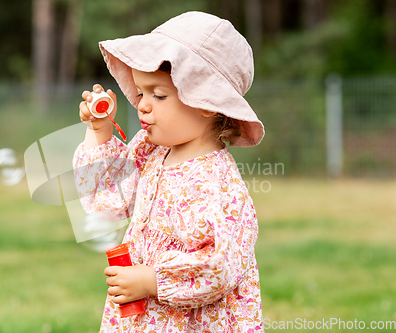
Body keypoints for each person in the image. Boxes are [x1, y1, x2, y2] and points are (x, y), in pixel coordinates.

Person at [73, 11, 265, 333]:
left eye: (158, 95)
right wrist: (100, 131)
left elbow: (220, 265)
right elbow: (109, 200)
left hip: (190, 322)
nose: (142, 105)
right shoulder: (151, 150)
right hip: (146, 319)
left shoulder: (218, 184)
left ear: (205, 101)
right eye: (140, 92)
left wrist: (152, 280)